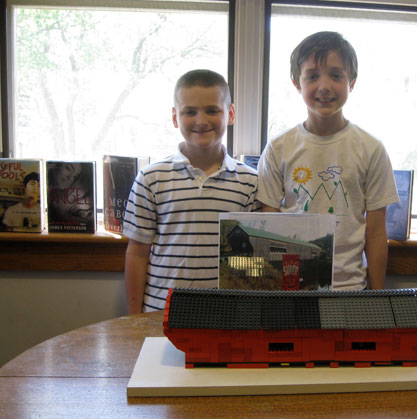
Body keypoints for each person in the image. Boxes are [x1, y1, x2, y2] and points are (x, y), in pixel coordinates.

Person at [257, 31, 399, 290]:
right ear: (296, 83)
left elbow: (377, 234)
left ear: (351, 82)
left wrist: (378, 297)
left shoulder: (371, 149)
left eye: (336, 75)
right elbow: (268, 225)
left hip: (350, 289)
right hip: (291, 289)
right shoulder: (278, 148)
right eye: (312, 76)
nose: (324, 86)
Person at [123, 69, 260, 313]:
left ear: (230, 113)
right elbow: (137, 252)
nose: (201, 121)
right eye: (190, 112)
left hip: (227, 317)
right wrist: (134, 317)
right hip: (160, 314)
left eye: (212, 110)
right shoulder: (151, 177)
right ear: (175, 117)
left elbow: (252, 257)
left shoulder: (250, 181)